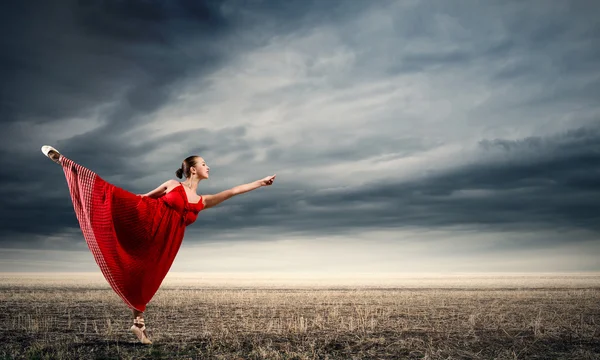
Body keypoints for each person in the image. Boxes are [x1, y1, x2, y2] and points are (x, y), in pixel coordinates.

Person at [40, 145, 276, 344]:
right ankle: (64, 162)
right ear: (192, 169)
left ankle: (138, 324)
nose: (208, 167)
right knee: (109, 192)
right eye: (204, 163)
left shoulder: (203, 201)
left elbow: (234, 191)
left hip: (164, 244)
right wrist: (120, 206)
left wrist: (261, 182)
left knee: (145, 278)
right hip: (146, 223)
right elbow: (144, 198)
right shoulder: (173, 185)